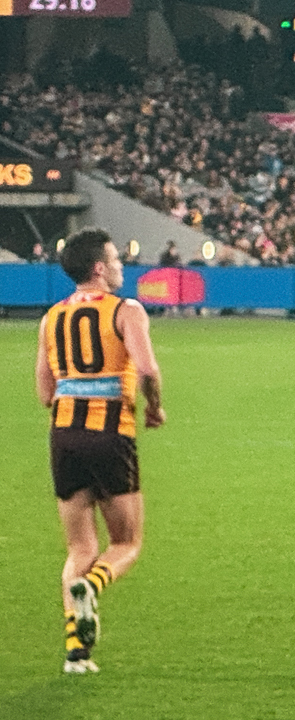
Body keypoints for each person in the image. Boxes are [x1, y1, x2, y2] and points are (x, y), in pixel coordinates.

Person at [35, 230, 163, 674]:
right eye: (115, 259)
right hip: (111, 433)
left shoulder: (51, 318)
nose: (121, 266)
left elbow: (44, 392)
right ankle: (92, 585)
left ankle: (76, 652)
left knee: (78, 545)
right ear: (98, 269)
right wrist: (156, 409)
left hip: (64, 436)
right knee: (126, 542)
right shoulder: (126, 310)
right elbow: (146, 368)